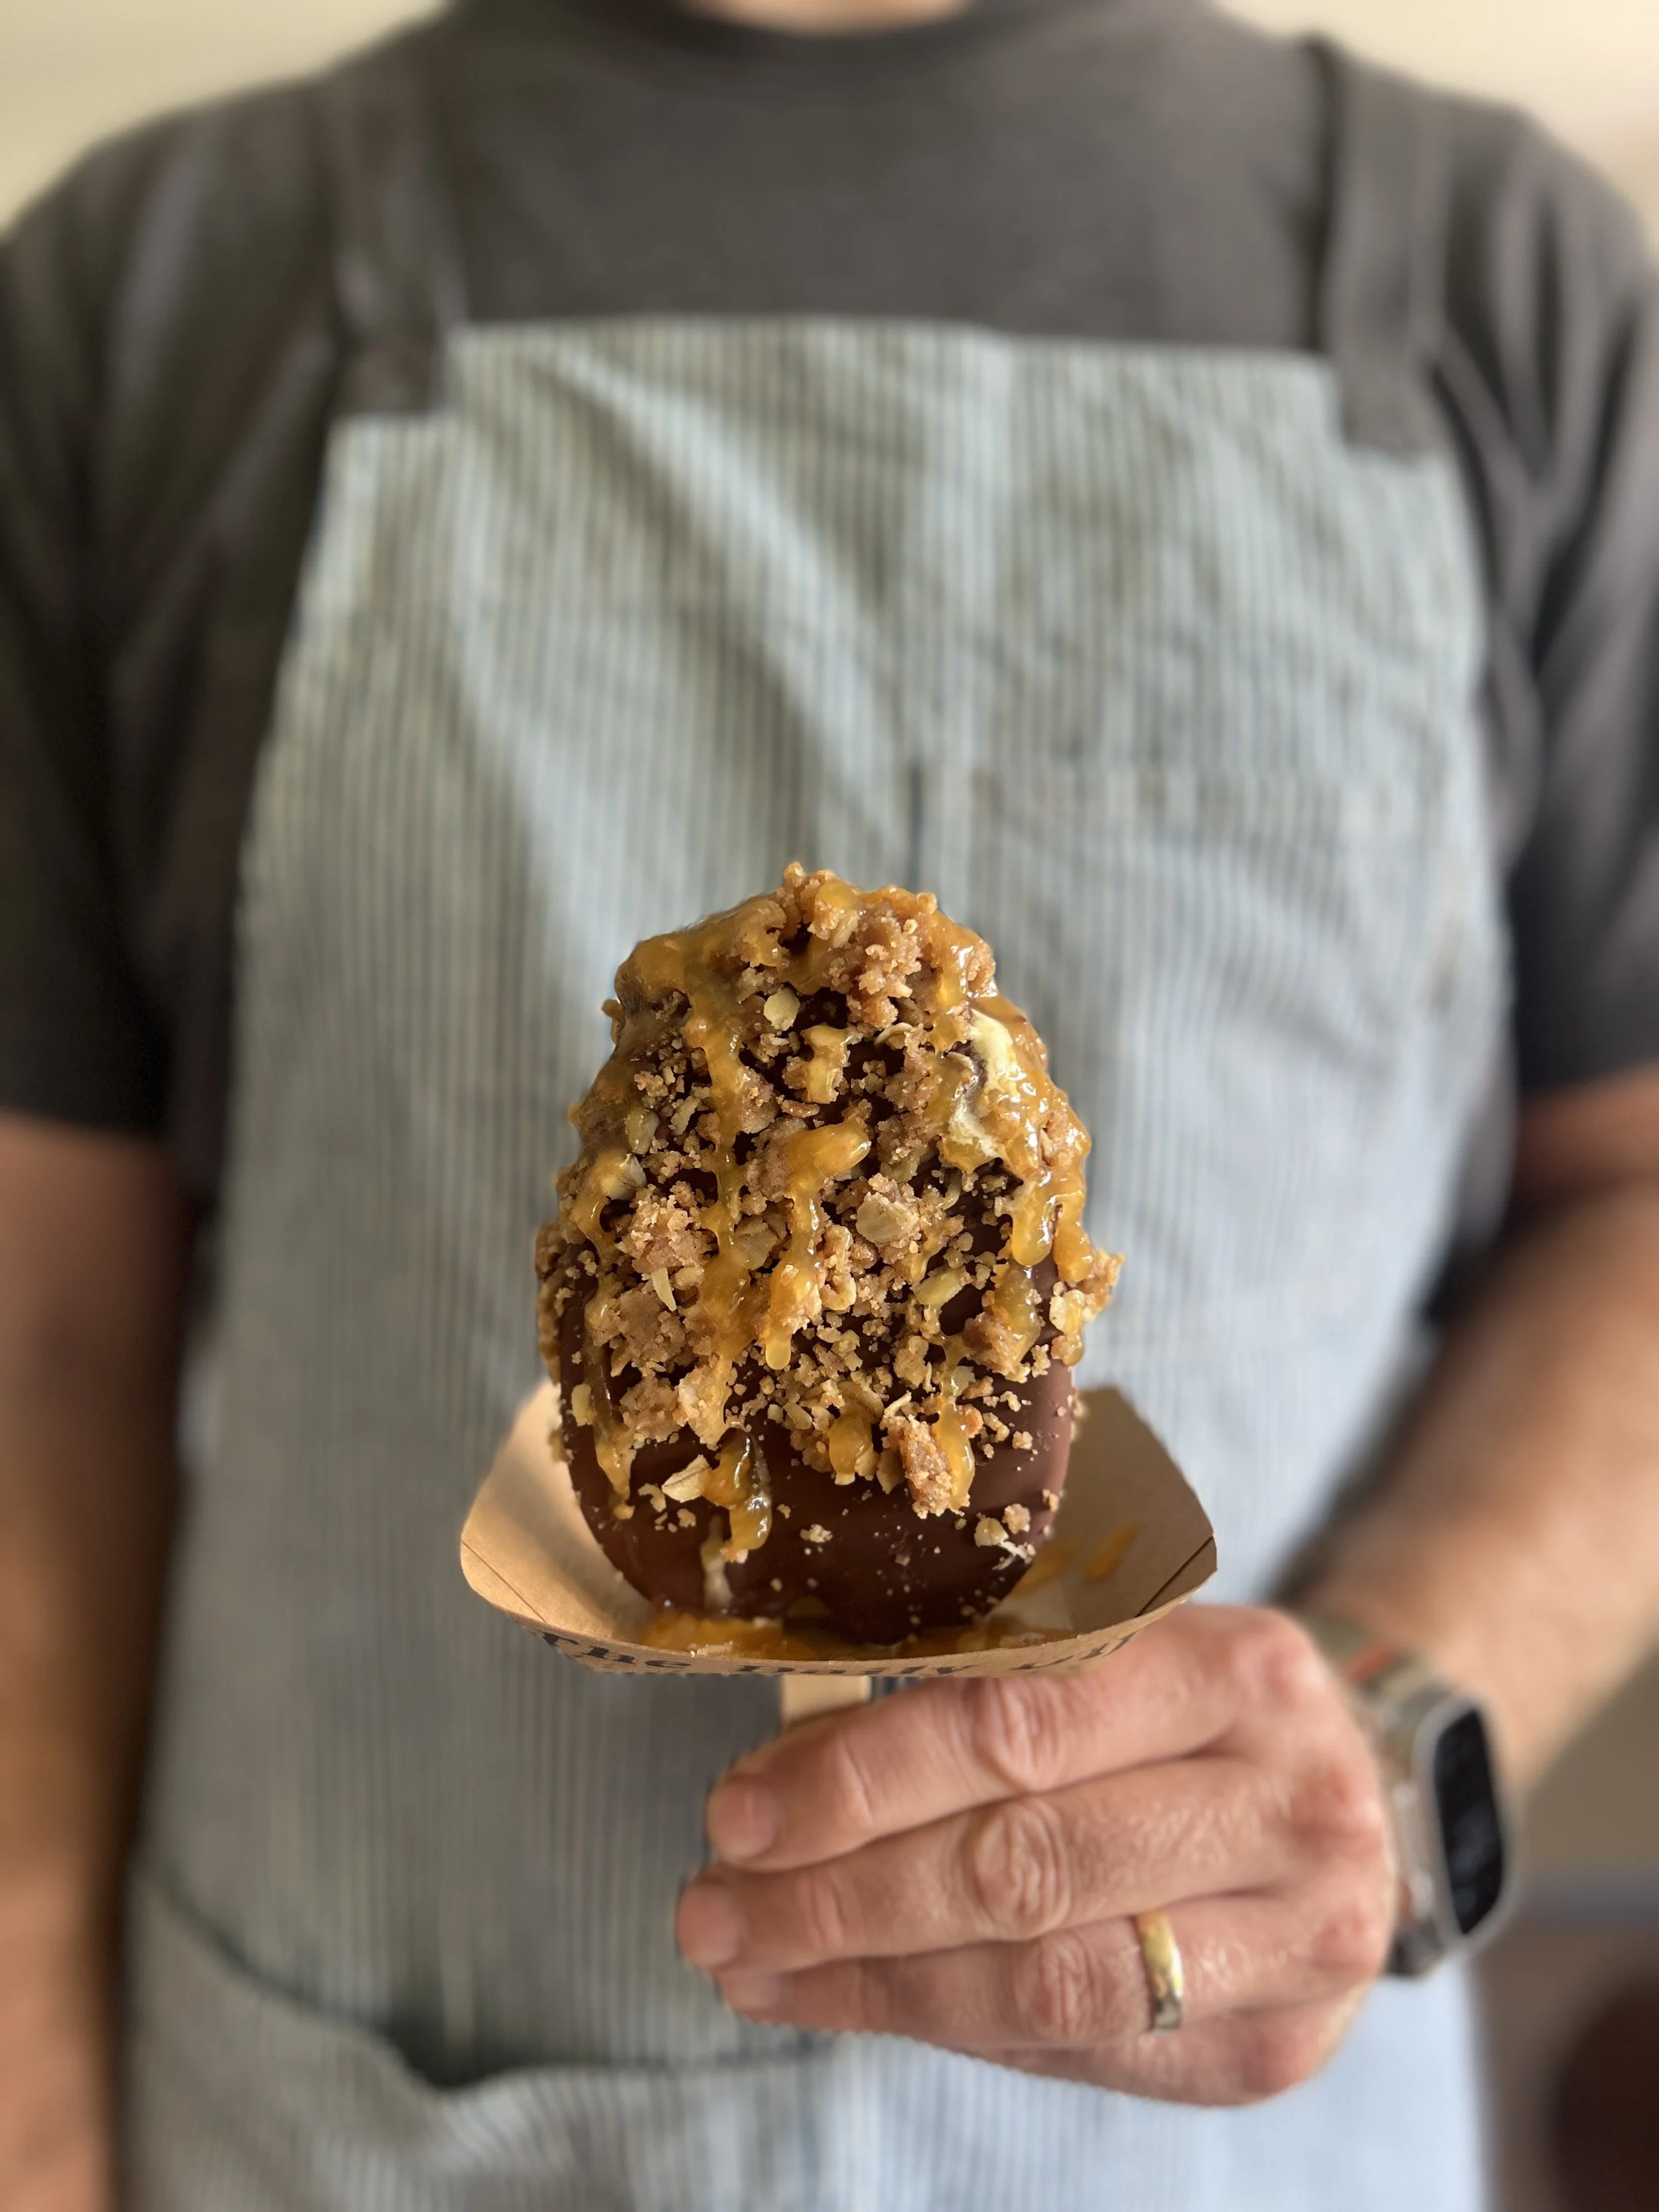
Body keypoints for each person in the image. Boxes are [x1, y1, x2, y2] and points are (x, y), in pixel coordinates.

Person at [1, 0, 1656, 2204]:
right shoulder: (156, 290)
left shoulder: (1508, 292)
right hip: (345, 2117)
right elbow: (42, 1347)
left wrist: (1387, 1699)